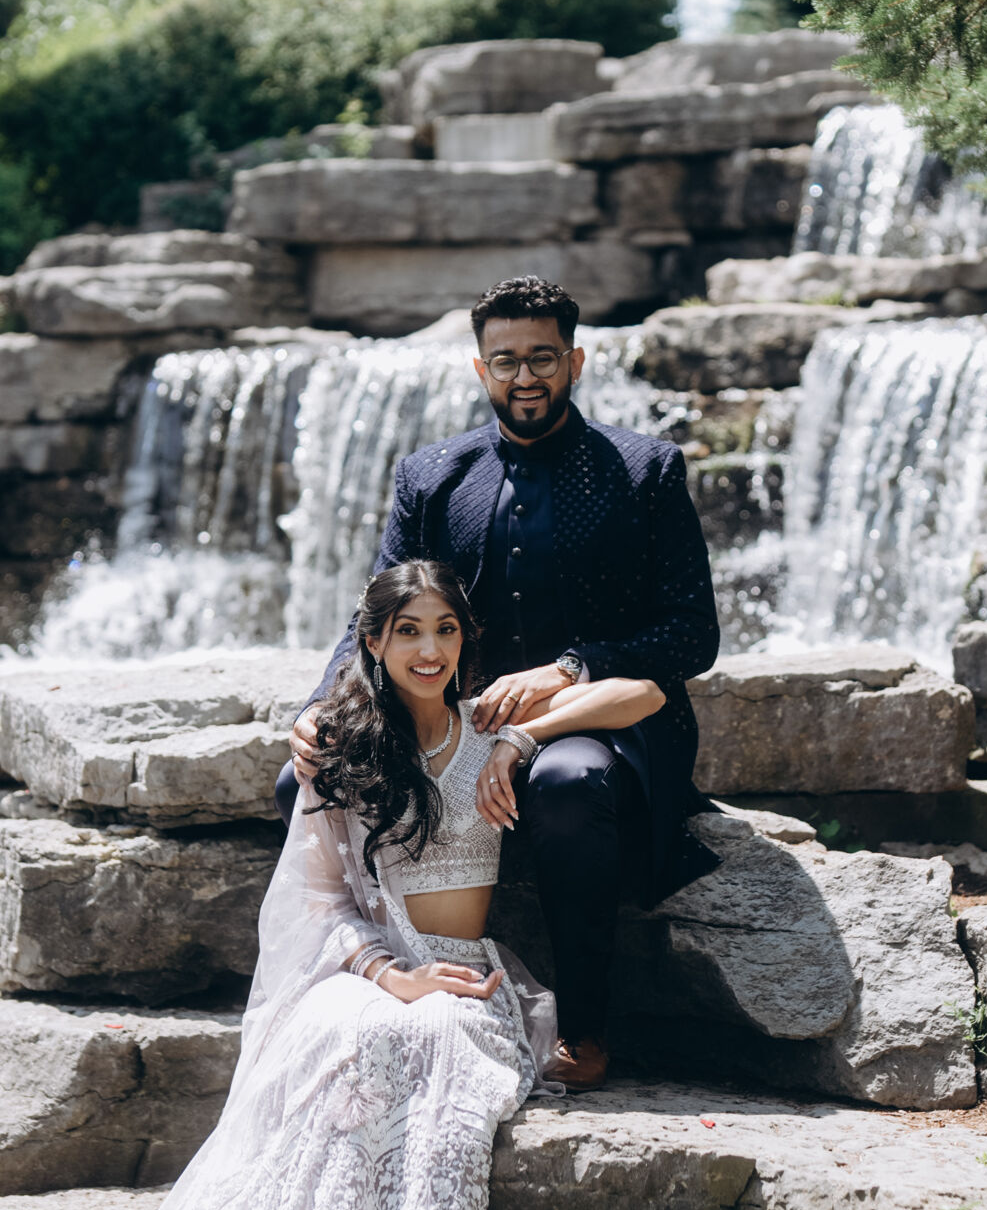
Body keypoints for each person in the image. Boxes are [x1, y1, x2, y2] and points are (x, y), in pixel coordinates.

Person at [67, 560, 666, 1210]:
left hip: (467, 974)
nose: (430, 650)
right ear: (375, 643)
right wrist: (393, 975)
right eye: (409, 631)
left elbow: (644, 693)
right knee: (351, 1036)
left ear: (466, 641)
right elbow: (320, 902)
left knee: (431, 1037)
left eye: (446, 630)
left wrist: (522, 740)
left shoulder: (488, 719)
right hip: (377, 967)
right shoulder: (344, 752)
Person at [283, 274, 722, 1088]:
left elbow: (692, 634)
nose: (526, 377)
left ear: (575, 362)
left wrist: (568, 668)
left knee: (565, 783)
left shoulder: (645, 469)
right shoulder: (431, 475)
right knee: (302, 778)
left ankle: (583, 1029)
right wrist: (319, 709)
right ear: (481, 369)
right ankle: (375, 973)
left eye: (543, 358)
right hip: (458, 723)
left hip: (609, 723)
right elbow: (373, 615)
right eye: (508, 361)